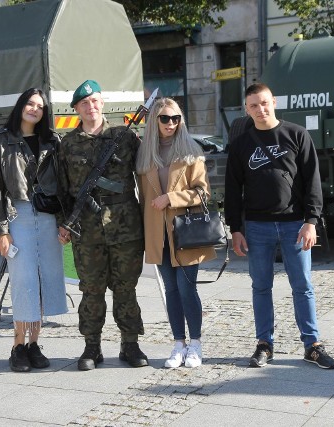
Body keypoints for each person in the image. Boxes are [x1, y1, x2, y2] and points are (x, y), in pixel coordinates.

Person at [225, 83, 334, 370]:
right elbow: (232, 189)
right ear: (246, 109)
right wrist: (235, 228)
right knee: (261, 287)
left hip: (294, 225)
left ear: (273, 102)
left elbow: (313, 180)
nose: (260, 110)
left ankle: (312, 345)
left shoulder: (297, 134)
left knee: (303, 286)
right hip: (257, 227)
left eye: (264, 103)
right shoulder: (241, 144)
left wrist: (311, 221)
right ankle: (264, 344)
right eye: (253, 105)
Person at [57, 80, 148, 370]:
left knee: (126, 288)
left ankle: (130, 344)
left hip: (125, 228)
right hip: (87, 229)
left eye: (95, 101)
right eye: (84, 103)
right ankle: (92, 347)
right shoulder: (68, 144)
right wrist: (64, 223)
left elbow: (148, 170)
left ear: (102, 104)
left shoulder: (124, 136)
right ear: (76, 109)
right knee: (91, 289)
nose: (90, 106)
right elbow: (61, 188)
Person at [0, 88, 68, 372]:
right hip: (16, 216)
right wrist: (0, 231)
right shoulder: (0, 142)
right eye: (30, 104)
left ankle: (34, 344)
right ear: (21, 106)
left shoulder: (52, 141)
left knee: (43, 282)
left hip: (46, 217)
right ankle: (17, 346)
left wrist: (64, 222)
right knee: (24, 282)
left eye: (40, 106)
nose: (35, 109)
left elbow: (65, 184)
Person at [136, 98, 215, 369]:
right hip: (158, 233)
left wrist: (172, 198)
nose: (172, 123)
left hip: (185, 232)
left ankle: (195, 343)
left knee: (186, 288)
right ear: (155, 121)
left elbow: (203, 193)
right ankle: (178, 343)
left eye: (176, 118)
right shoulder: (146, 154)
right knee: (170, 290)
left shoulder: (191, 152)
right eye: (166, 119)